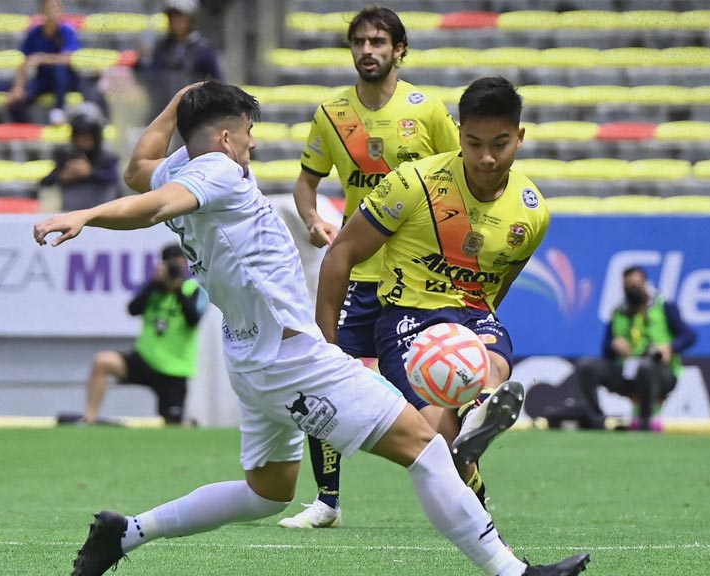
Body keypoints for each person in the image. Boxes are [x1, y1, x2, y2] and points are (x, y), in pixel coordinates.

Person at [33, 81, 589, 576]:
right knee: (426, 447)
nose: (253, 143)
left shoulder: (185, 167)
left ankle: (126, 533)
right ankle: (513, 572)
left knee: (268, 492)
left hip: (249, 356)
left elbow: (140, 169)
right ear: (225, 138)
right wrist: (87, 215)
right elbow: (152, 205)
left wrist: (179, 104)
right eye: (247, 132)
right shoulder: (218, 170)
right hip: (292, 358)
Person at [316, 75, 548, 517]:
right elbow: (341, 254)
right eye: (474, 143)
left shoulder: (531, 211)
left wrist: (477, 318)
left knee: (492, 355)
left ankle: (481, 404)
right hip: (409, 321)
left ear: (519, 137)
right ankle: (472, 445)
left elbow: (499, 285)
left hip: (473, 315)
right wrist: (326, 346)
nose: (486, 157)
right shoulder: (414, 183)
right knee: (442, 446)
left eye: (500, 144)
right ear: (458, 133)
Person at [281, 5, 460, 530]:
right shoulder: (332, 113)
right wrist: (313, 218)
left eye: (378, 42)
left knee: (431, 392)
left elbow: (461, 176)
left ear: (399, 50)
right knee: (319, 378)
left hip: (416, 280)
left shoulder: (427, 110)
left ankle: (465, 492)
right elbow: (305, 182)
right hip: (355, 274)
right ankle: (327, 502)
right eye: (359, 42)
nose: (367, 50)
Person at [72, 244, 204, 425]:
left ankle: (187, 423)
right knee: (103, 361)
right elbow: (133, 309)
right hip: (145, 359)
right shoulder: (154, 288)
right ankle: (90, 419)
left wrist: (177, 289)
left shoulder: (194, 289)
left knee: (173, 422)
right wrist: (154, 284)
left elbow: (193, 320)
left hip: (174, 368)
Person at [576, 266, 698, 432]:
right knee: (587, 365)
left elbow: (689, 335)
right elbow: (605, 349)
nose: (633, 289)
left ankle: (645, 421)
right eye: (628, 285)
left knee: (646, 367)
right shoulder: (618, 311)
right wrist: (614, 345)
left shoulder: (663, 306)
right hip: (626, 371)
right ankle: (595, 420)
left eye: (637, 284)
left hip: (659, 372)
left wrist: (669, 348)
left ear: (645, 283)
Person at [135, 0, 222, 125]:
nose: (176, 21)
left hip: (193, 117)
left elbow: (217, 84)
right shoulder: (163, 47)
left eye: (180, 16)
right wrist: (140, 62)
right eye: (172, 17)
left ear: (191, 18)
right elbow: (152, 77)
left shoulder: (204, 50)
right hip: (163, 113)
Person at [8, 0, 81, 125]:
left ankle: (59, 109)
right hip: (43, 80)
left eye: (56, 7)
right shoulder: (34, 33)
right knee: (15, 101)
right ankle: (28, 129)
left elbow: (67, 58)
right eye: (49, 7)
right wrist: (18, 87)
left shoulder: (67, 31)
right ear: (42, 11)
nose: (53, 11)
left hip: (66, 81)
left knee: (59, 69)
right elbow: (24, 60)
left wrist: (41, 58)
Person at [40, 109, 119, 211]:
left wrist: (89, 173)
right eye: (79, 137)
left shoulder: (106, 158)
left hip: (101, 213)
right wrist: (63, 176)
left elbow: (114, 178)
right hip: (71, 214)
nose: (82, 141)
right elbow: (46, 181)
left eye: (87, 137)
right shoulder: (68, 157)